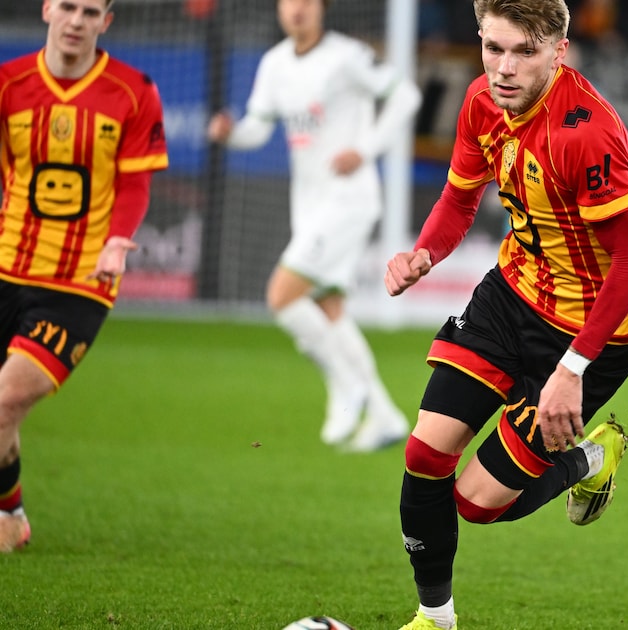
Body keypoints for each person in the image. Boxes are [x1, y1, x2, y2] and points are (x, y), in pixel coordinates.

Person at [382, 0, 628, 627]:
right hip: (511, 297)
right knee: (425, 456)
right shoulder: (481, 99)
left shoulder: (585, 131)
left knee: (479, 503)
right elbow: (458, 198)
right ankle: (435, 617)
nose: (503, 68)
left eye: (524, 52)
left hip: (596, 332)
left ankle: (591, 458)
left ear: (559, 52)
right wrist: (424, 252)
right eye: (493, 48)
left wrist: (573, 370)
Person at [207, 0, 419, 452]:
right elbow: (258, 130)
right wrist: (231, 133)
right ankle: (383, 414)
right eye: (289, 2)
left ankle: (346, 385)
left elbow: (407, 96)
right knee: (328, 309)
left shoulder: (347, 56)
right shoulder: (275, 63)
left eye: (306, 1)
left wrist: (365, 148)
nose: (297, 9)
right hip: (309, 205)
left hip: (348, 200)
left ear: (321, 8)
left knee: (282, 297)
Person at [0, 0, 169, 552]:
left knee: (3, 399)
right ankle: (11, 512)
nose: (76, 20)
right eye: (67, 6)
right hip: (7, 265)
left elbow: (135, 185)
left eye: (90, 11)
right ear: (47, 9)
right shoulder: (9, 84)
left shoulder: (132, 91)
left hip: (78, 284)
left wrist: (118, 239)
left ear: (106, 21)